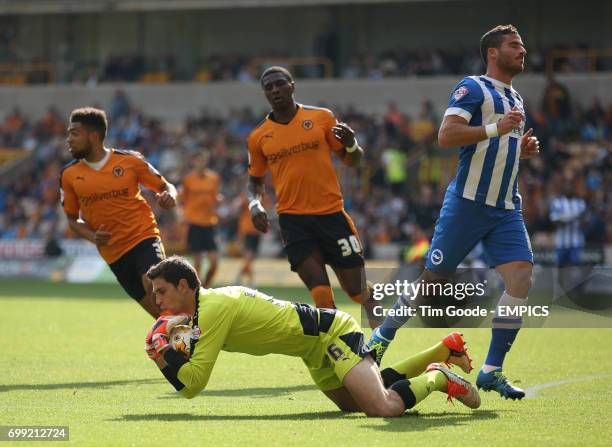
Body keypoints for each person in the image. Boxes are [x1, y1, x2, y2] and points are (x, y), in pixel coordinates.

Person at [367, 25, 540, 400]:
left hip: (506, 207)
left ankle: (492, 370)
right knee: (432, 284)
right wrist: (496, 128)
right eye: (515, 45)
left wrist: (519, 149)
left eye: (523, 46)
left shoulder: (517, 98)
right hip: (467, 204)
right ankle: (383, 335)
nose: (522, 51)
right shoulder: (473, 87)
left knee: (521, 280)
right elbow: (446, 135)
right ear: (493, 52)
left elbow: (494, 147)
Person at [144, 256, 480, 416]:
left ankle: (438, 377)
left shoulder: (213, 309)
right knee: (354, 404)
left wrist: (165, 355)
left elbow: (193, 384)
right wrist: (167, 354)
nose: (157, 301)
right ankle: (442, 350)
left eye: (161, 292)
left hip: (331, 332)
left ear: (184, 286)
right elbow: (188, 376)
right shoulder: (202, 311)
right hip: (311, 350)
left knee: (382, 408)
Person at [246, 66, 375, 324]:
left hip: (332, 216)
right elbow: (254, 181)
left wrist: (351, 143)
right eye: (268, 87)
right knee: (322, 298)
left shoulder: (322, 118)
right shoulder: (258, 137)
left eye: (279, 84)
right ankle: (346, 354)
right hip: (294, 222)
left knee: (359, 293)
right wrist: (254, 204)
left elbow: (353, 160)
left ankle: (383, 340)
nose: (274, 90)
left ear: (292, 85)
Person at [60, 107, 177, 317]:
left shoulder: (130, 161)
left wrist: (170, 197)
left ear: (94, 136)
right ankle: (188, 337)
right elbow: (71, 219)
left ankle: (193, 334)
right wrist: (92, 236)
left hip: (143, 237)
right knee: (160, 314)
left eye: (74, 133)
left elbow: (166, 186)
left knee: (152, 283)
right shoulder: (68, 175)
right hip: (114, 254)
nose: (68, 139)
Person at [180, 152, 221, 287]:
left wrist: (219, 202)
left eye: (204, 160)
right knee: (197, 262)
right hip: (194, 223)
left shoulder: (214, 178)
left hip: (209, 223)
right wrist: (181, 216)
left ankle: (206, 287)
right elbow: (182, 200)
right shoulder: (188, 180)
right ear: (194, 161)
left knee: (214, 261)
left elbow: (216, 198)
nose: (202, 163)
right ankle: (198, 291)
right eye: (199, 160)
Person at [549, 181, 586, 267]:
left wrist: (581, 220)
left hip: (576, 241)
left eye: (570, 187)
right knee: (560, 267)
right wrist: (569, 218)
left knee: (575, 266)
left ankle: (575, 281)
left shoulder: (580, 203)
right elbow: (553, 221)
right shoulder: (557, 203)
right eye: (567, 187)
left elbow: (585, 222)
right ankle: (561, 281)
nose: (568, 189)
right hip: (561, 242)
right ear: (563, 189)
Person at [234, 192, 263, 288]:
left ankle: (238, 278)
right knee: (248, 257)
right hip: (247, 230)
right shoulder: (246, 197)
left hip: (257, 231)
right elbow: (237, 207)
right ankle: (250, 281)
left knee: (250, 259)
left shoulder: (262, 196)